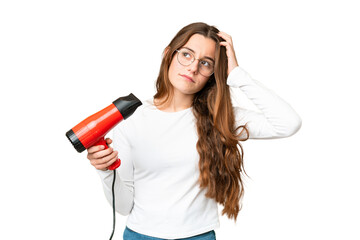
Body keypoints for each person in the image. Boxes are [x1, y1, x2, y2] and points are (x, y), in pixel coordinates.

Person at [87, 22, 302, 240]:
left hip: (197, 236)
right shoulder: (131, 119)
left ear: (213, 73)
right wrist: (106, 170)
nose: (193, 67)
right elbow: (123, 206)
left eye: (206, 63)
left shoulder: (220, 118)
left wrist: (236, 74)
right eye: (187, 55)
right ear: (168, 55)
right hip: (140, 235)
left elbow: (287, 123)